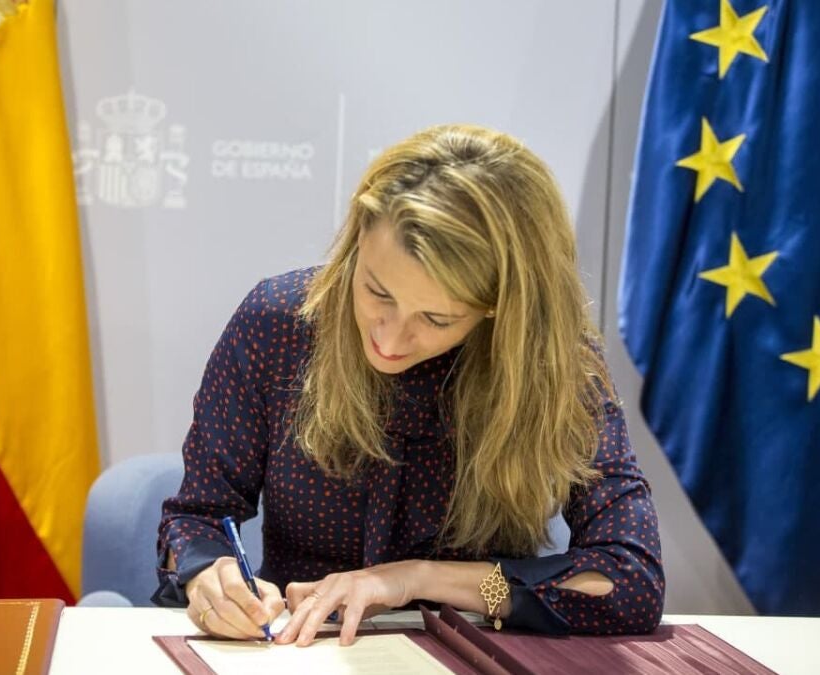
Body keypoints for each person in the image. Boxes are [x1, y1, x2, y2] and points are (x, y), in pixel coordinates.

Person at [153, 124, 664, 646]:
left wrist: (414, 580)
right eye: (377, 292)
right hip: (298, 651)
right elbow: (196, 518)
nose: (390, 339)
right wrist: (208, 575)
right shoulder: (278, 325)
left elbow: (630, 581)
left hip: (471, 653)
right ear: (358, 242)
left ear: (498, 309)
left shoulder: (553, 366)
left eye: (437, 319)